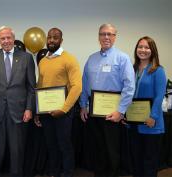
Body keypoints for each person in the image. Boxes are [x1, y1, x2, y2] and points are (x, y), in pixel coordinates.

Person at [79, 23, 135, 177]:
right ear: (98, 37)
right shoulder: (91, 59)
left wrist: (121, 111)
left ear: (115, 37)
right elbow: (84, 84)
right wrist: (83, 106)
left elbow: (129, 87)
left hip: (112, 114)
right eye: (103, 34)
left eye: (110, 34)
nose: (106, 37)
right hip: (93, 113)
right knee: (97, 150)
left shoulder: (122, 58)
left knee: (112, 152)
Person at [0, 26, 36, 177]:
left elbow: (31, 87)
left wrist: (29, 108)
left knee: (17, 152)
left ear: (13, 38)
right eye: (2, 38)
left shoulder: (26, 58)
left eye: (8, 38)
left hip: (18, 113)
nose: (6, 41)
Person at [34, 28, 82, 177]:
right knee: (51, 145)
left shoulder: (69, 59)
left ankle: (67, 173)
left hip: (63, 112)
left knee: (64, 145)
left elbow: (77, 86)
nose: (51, 40)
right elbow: (40, 86)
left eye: (55, 38)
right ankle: (53, 172)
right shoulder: (42, 61)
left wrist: (64, 109)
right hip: (46, 113)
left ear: (61, 40)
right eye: (49, 37)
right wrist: (38, 110)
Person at [129, 36, 166, 177]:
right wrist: (124, 114)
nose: (143, 50)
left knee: (149, 163)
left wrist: (153, 116)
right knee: (136, 162)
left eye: (146, 47)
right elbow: (128, 94)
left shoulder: (158, 70)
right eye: (140, 47)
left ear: (152, 50)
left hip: (151, 124)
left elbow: (159, 95)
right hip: (134, 123)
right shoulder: (132, 69)